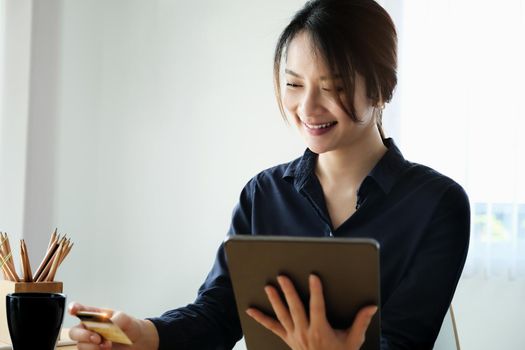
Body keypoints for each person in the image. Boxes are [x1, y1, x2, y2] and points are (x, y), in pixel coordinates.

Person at [69, 0, 470, 349]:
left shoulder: (437, 205)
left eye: (332, 87)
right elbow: (219, 313)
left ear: (382, 88)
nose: (307, 107)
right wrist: (147, 334)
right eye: (294, 84)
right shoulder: (263, 194)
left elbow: (404, 340)